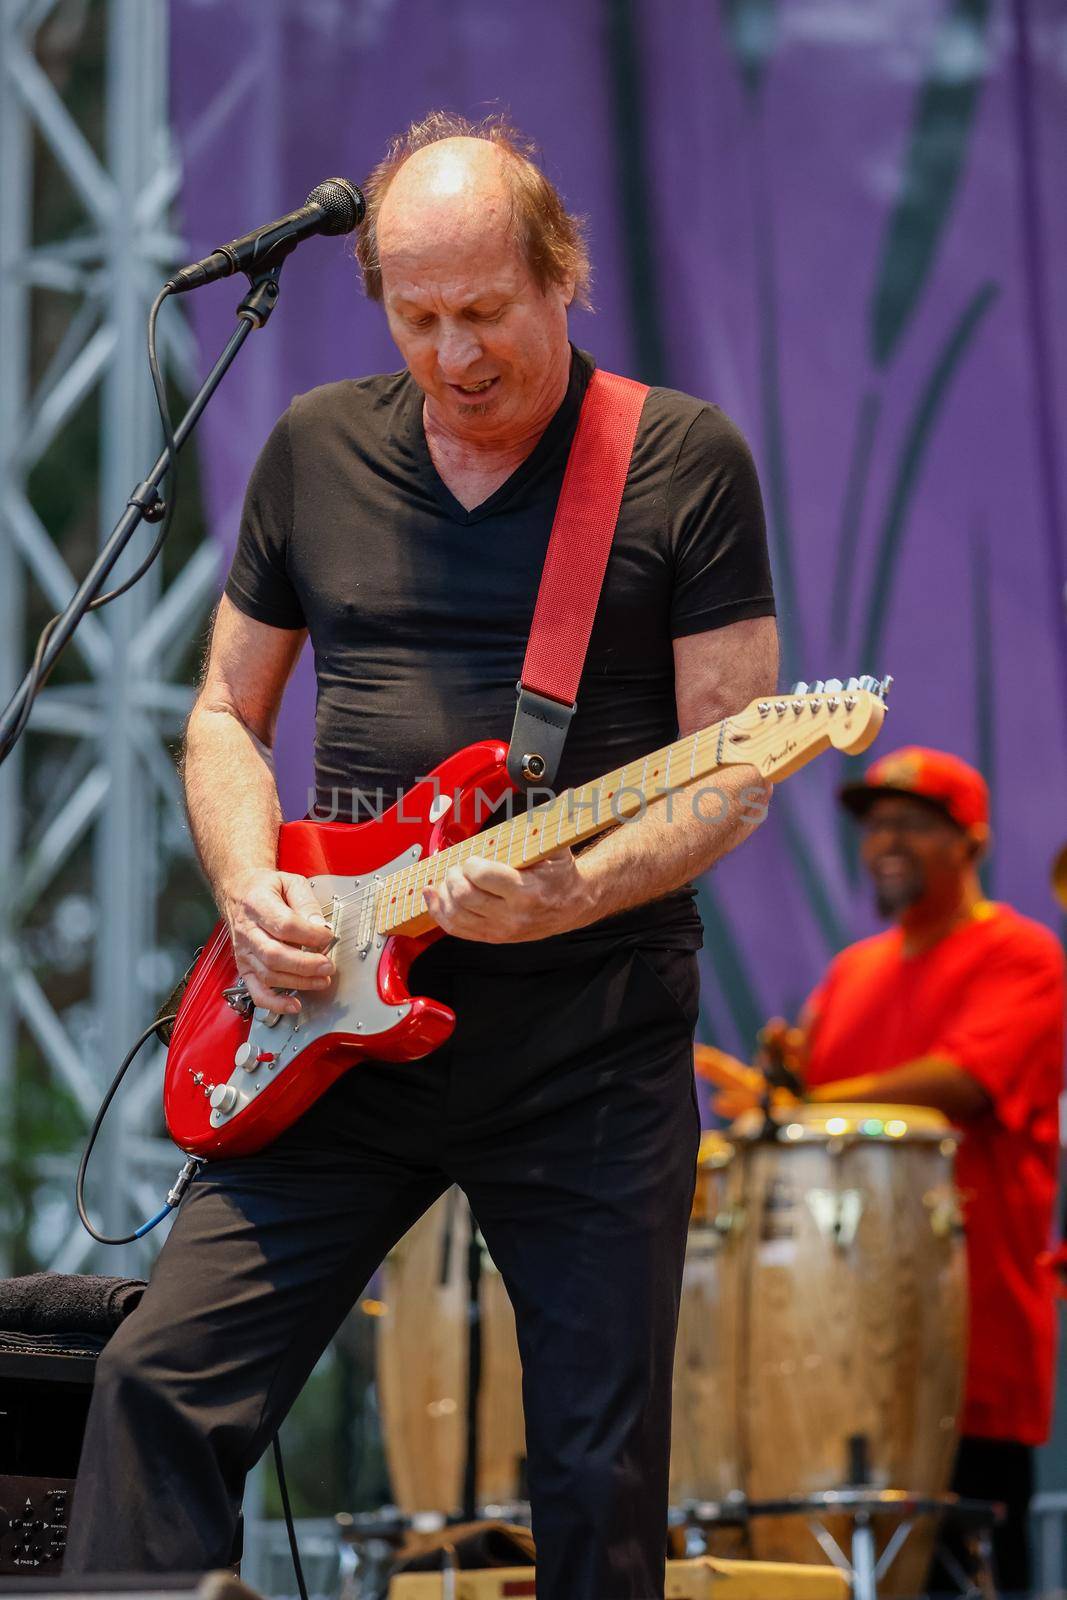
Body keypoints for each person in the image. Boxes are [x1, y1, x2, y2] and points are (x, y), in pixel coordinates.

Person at [65, 112, 778, 1600]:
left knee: (592, 1475)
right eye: (419, 315)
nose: (453, 357)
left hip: (583, 1041)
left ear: (558, 275)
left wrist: (569, 889)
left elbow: (734, 771)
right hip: (331, 1021)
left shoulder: (676, 461)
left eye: (485, 314)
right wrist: (247, 881)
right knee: (153, 1386)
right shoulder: (314, 447)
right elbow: (220, 715)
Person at [699, 746, 1065, 1596]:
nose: (882, 842)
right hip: (831, 1336)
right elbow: (814, 1117)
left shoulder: (1020, 954)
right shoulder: (852, 973)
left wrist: (806, 1099)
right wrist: (776, 1091)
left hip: (968, 1322)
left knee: (963, 1564)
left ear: (969, 841)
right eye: (871, 827)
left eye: (910, 824)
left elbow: (962, 1081)